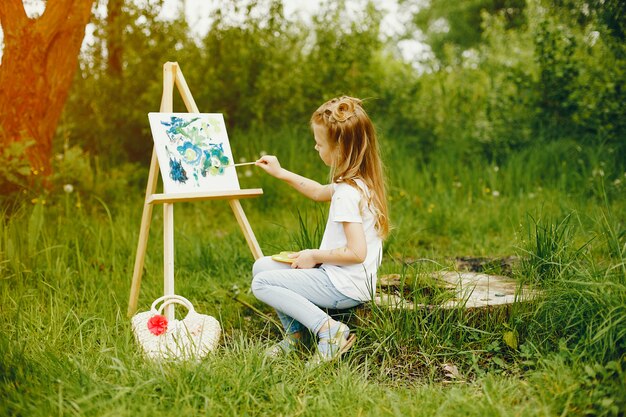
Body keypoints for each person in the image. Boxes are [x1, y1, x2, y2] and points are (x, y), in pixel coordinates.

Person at [251, 96, 389, 363]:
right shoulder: (357, 183)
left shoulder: (347, 193)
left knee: (262, 283)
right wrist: (281, 173)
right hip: (343, 278)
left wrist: (313, 255)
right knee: (261, 266)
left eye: (319, 143)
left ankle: (330, 331)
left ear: (340, 148)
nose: (315, 146)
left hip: (344, 286)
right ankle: (297, 336)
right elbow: (316, 191)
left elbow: (357, 252)